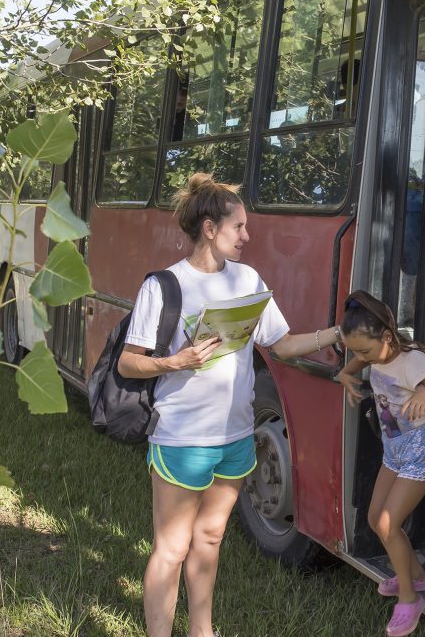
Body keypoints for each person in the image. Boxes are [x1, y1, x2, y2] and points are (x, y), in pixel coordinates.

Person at [117, 172, 346, 637]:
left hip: (237, 438)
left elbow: (279, 346)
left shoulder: (248, 279)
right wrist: (176, 360)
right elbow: (127, 364)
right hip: (183, 439)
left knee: (210, 538)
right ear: (208, 228)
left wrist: (336, 335)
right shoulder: (163, 286)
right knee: (172, 548)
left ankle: (203, 631)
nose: (247, 235)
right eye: (238, 226)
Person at [333, 290, 425, 637]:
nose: (361, 358)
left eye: (365, 351)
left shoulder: (411, 360)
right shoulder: (374, 352)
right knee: (374, 519)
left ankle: (409, 598)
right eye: (355, 351)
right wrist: (345, 375)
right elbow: (355, 363)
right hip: (395, 447)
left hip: (421, 447)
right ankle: (415, 575)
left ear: (387, 337)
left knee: (388, 523)